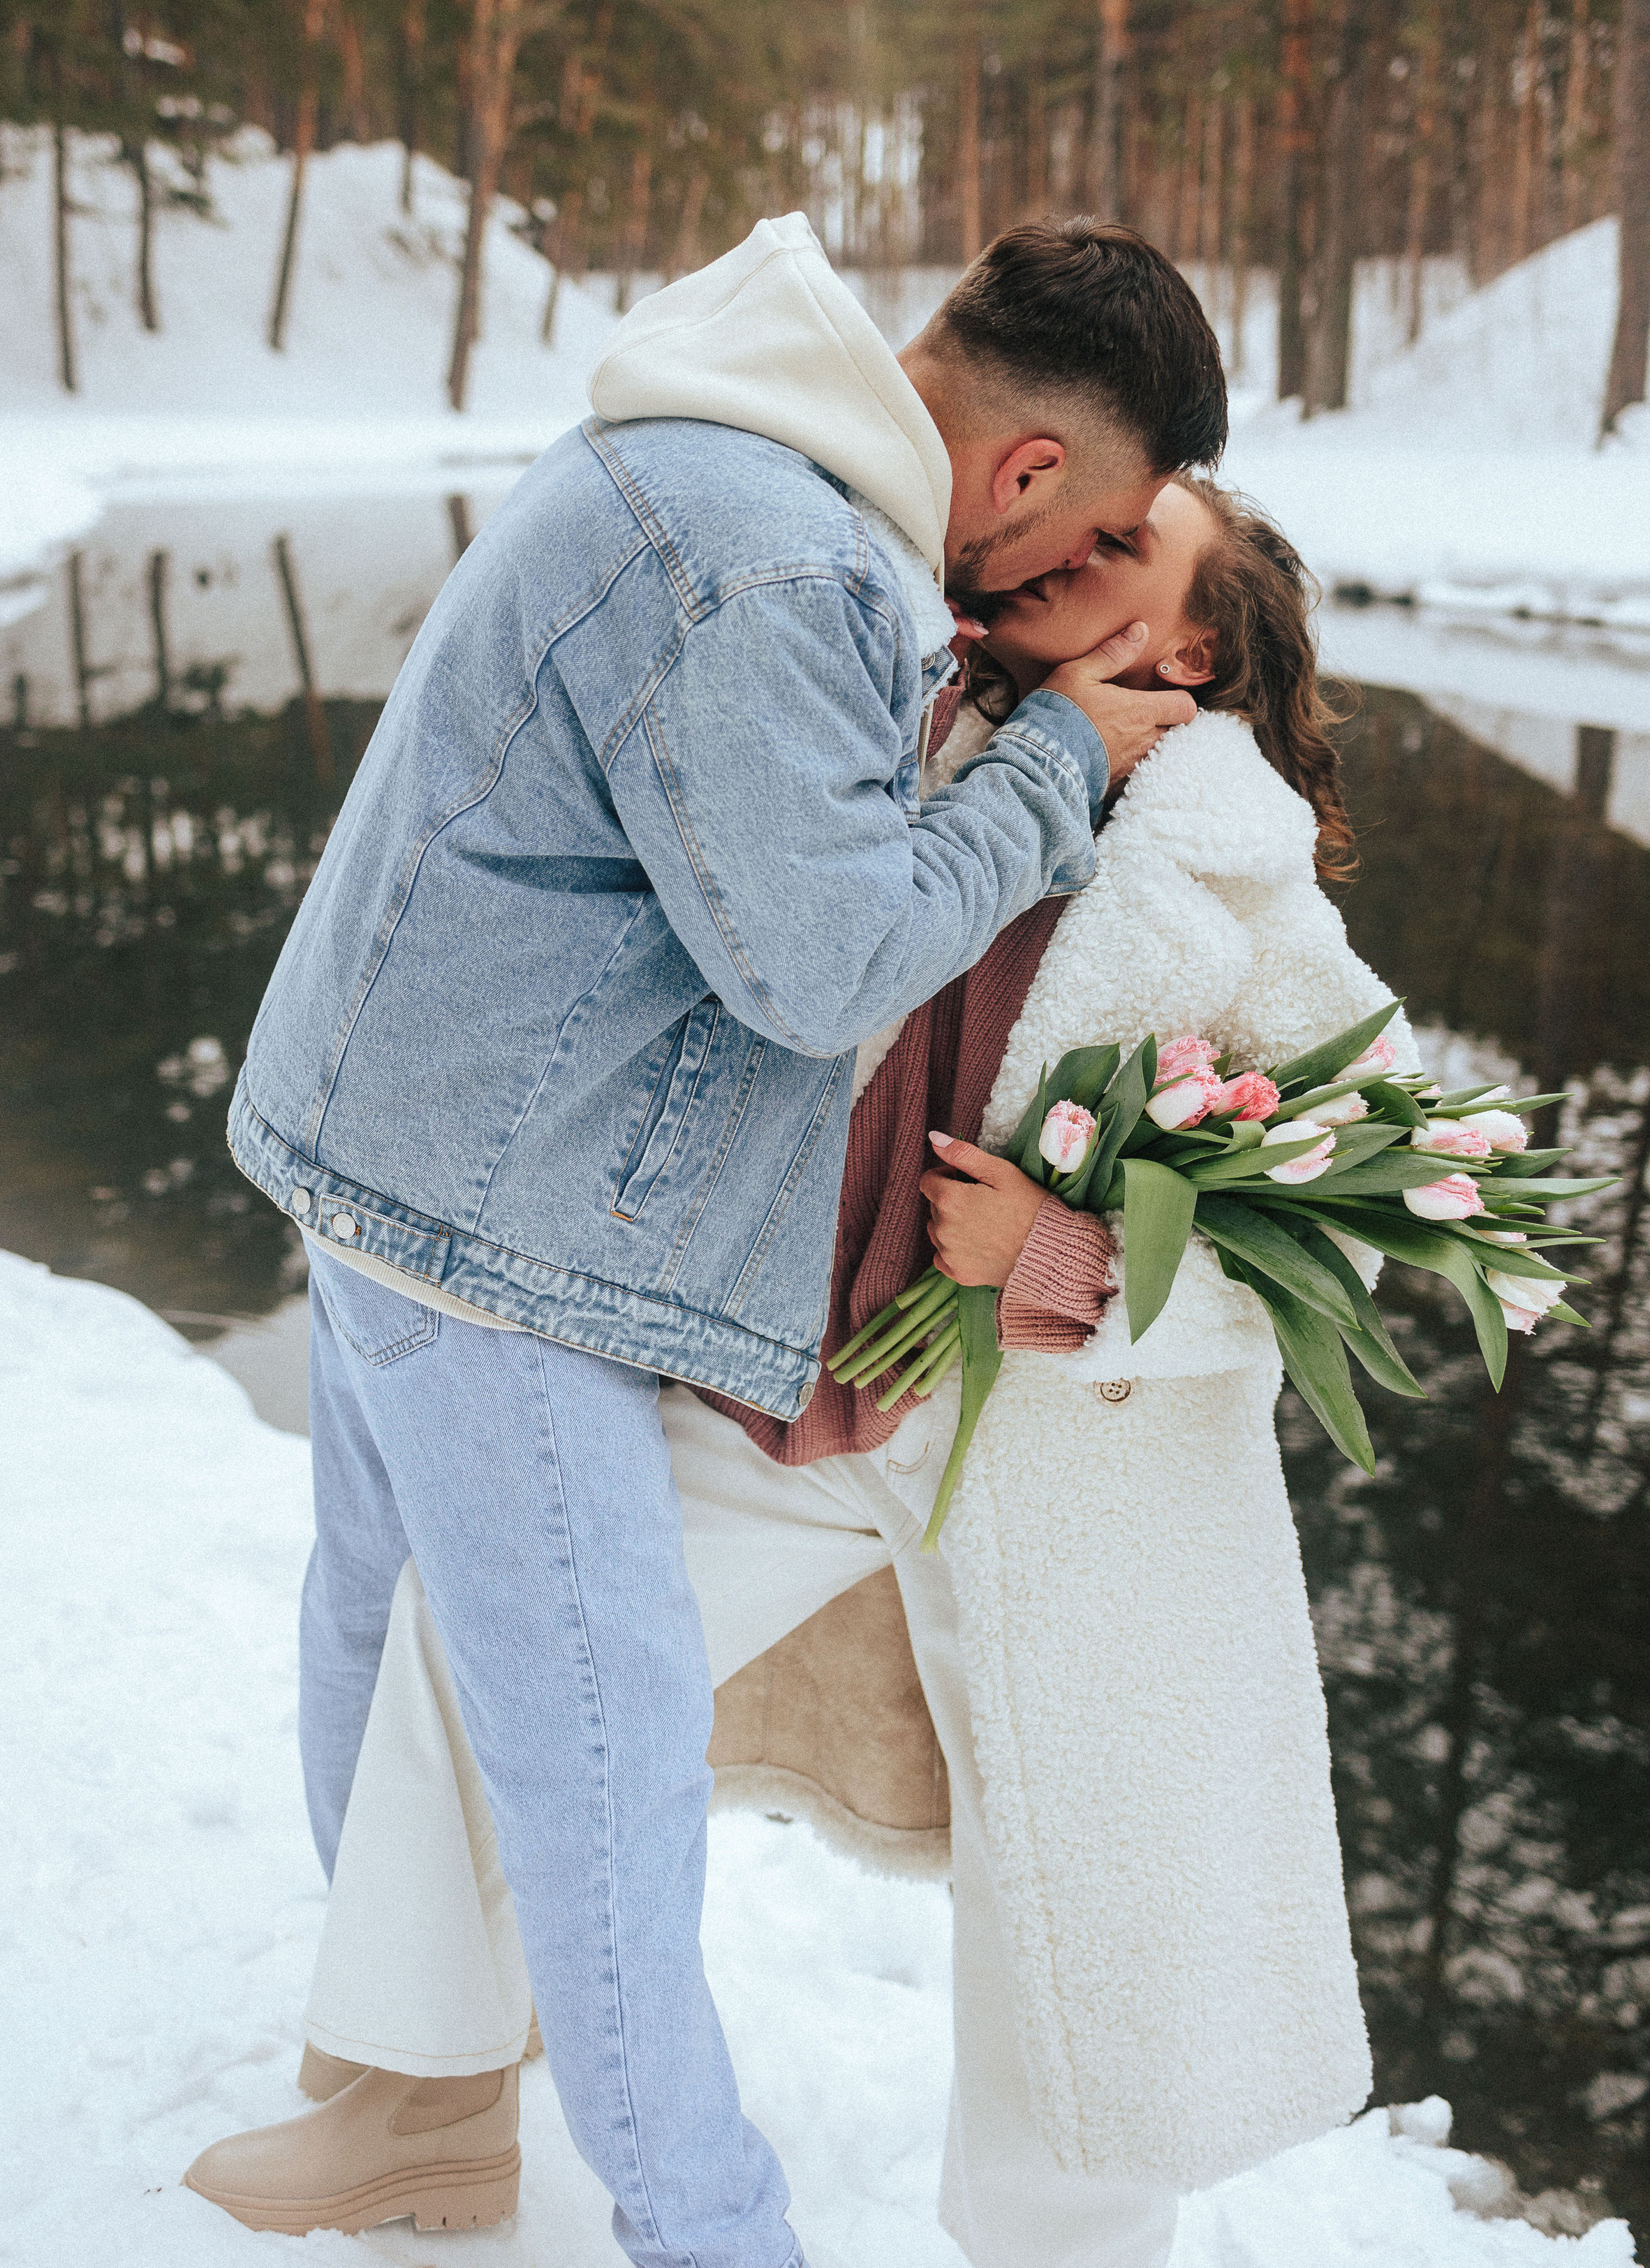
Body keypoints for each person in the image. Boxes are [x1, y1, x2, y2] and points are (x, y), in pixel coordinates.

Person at [191, 475, 1397, 2268]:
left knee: (1069, 1898)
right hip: (814, 1405)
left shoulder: (1242, 880)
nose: (1067, 546)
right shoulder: (902, 734)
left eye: (1123, 547)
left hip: (1064, 1470)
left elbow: (1354, 1226)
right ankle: (427, 2103)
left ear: (1188, 648)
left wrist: (1062, 1261)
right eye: (1081, 512)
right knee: (486, 1637)